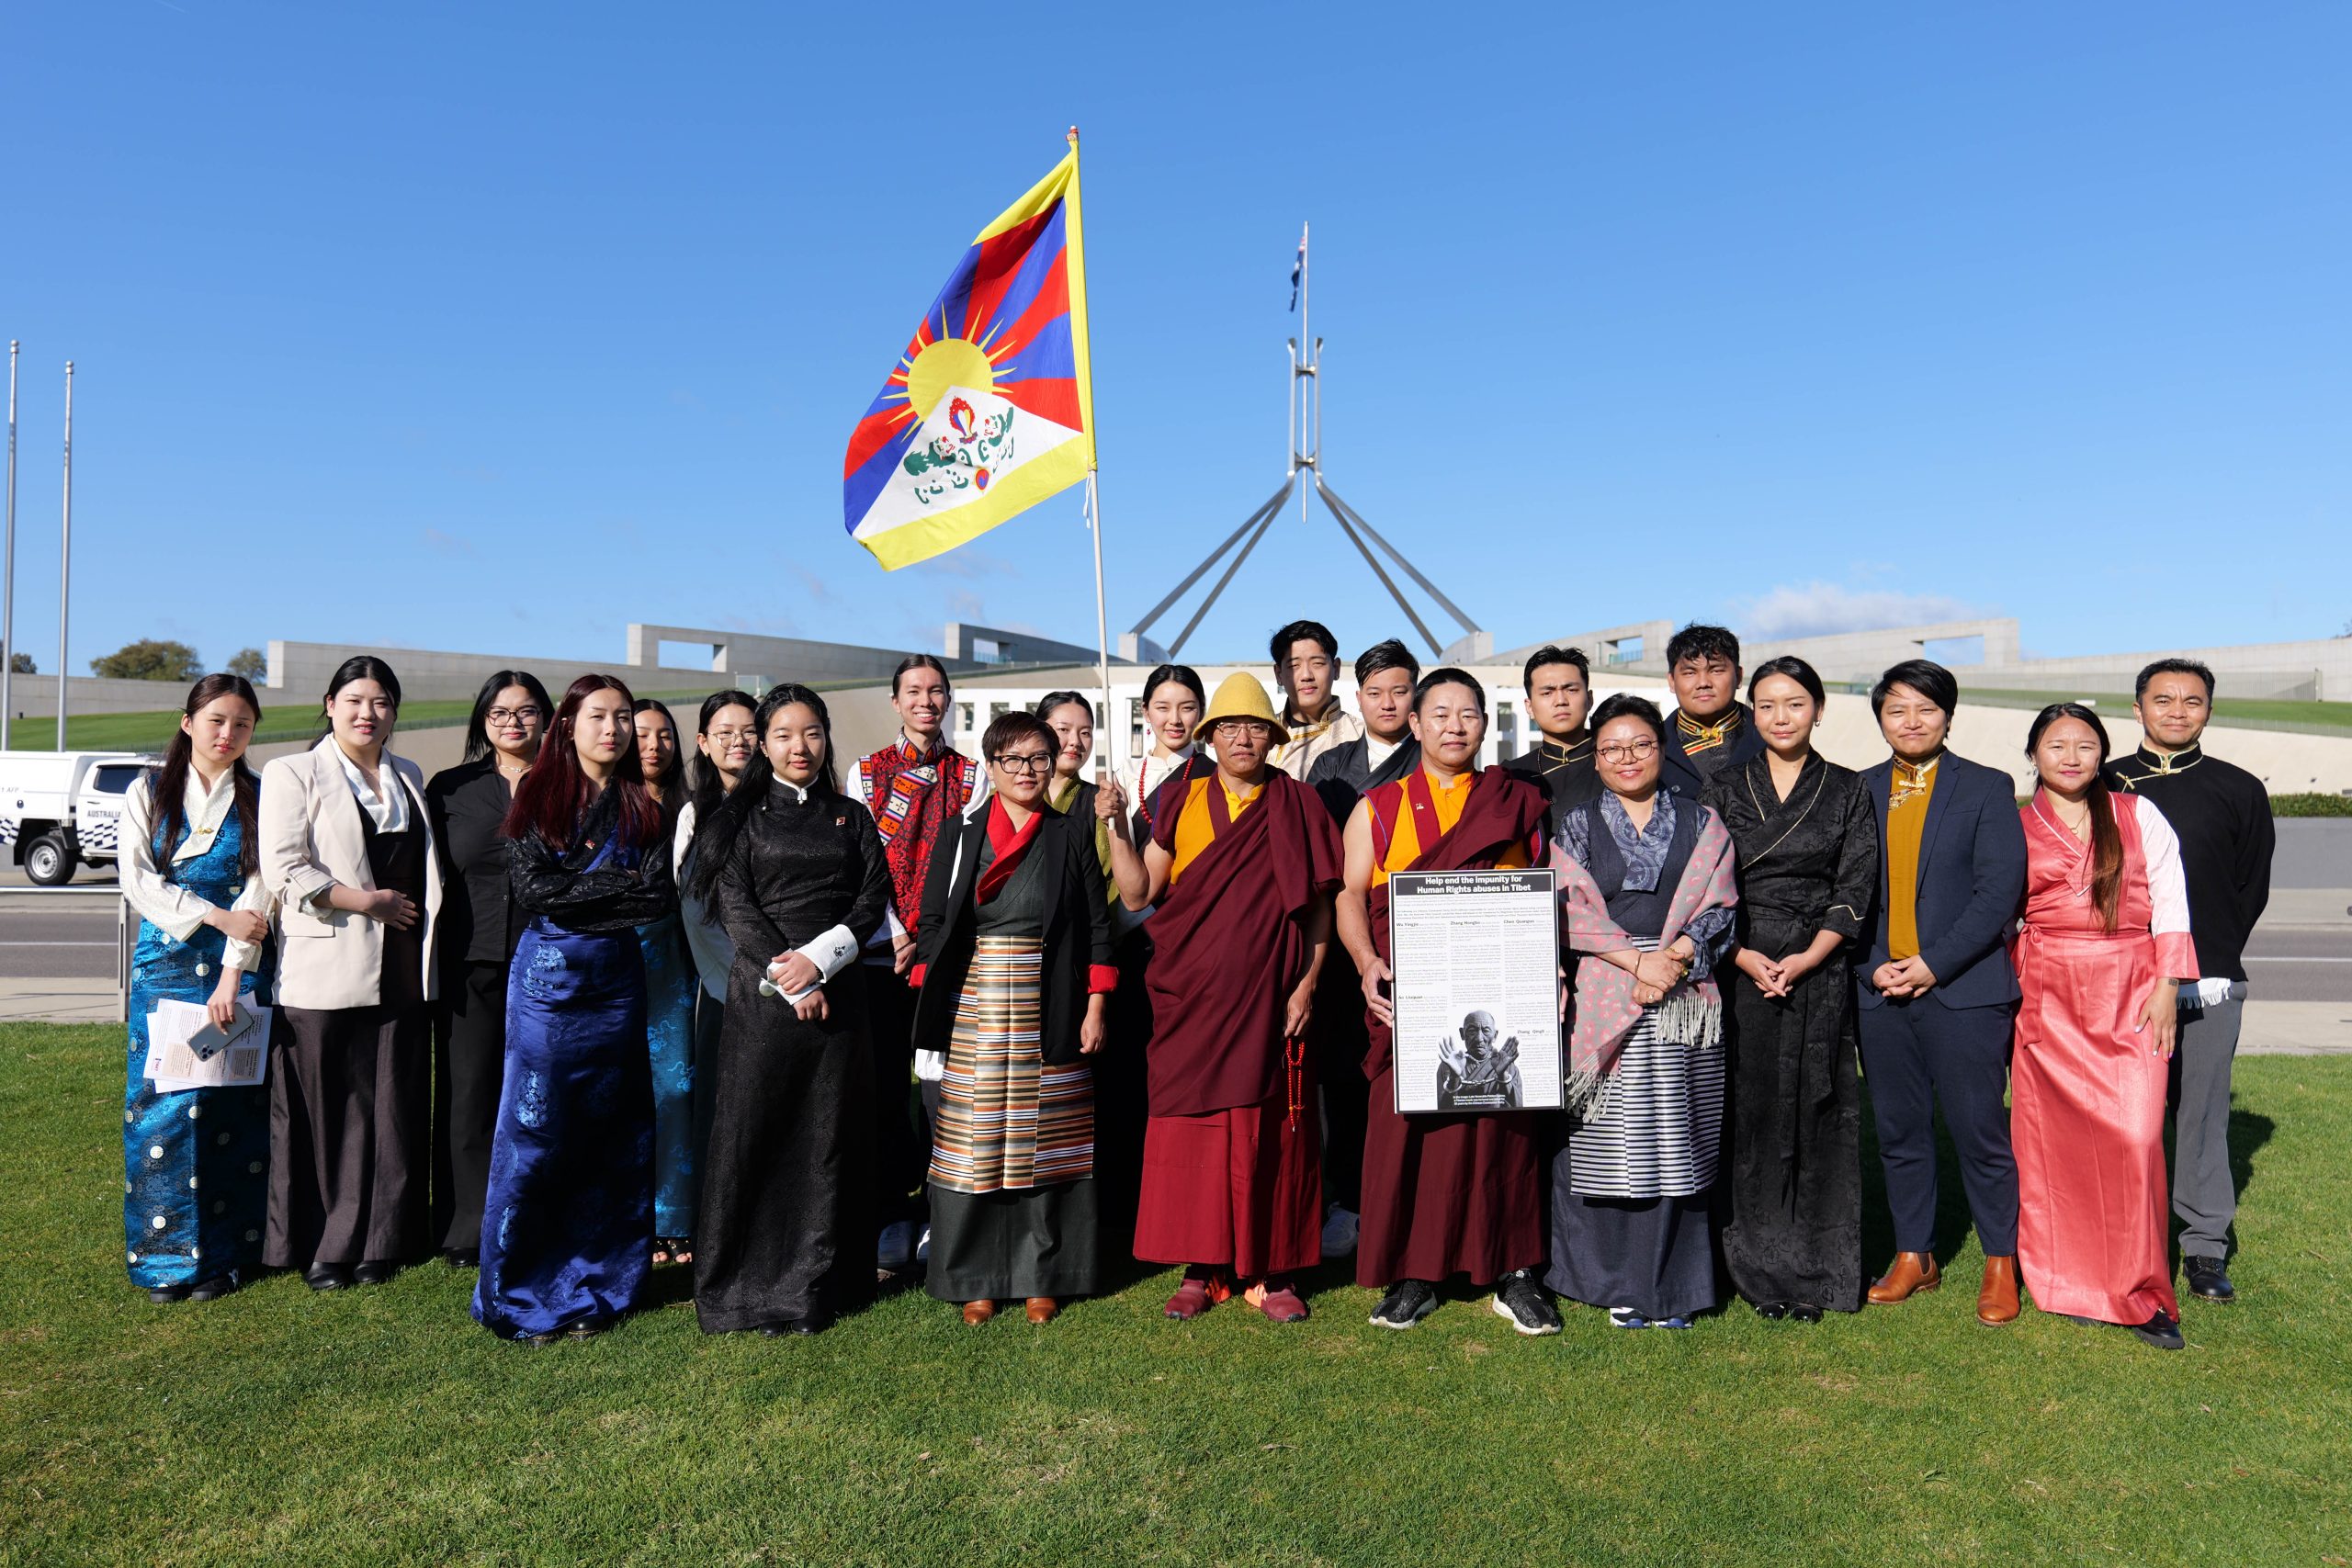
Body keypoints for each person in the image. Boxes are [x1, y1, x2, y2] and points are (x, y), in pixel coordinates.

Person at [1101, 672, 1342, 1323]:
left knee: (1274, 1134)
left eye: (1256, 726)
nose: (1243, 737)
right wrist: (1118, 829)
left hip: (1271, 998)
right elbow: (1136, 894)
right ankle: (1202, 1267)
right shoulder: (1180, 800)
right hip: (1192, 1000)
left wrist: (1309, 982)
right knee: (1195, 1137)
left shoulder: (1298, 803)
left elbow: (1320, 907)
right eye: (1230, 727)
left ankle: (1274, 1268)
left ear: (1273, 736)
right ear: (1210, 736)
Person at [1334, 667, 1556, 1333]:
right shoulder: (1379, 806)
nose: (1454, 726)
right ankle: (1415, 1273)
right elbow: (1350, 893)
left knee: (1504, 1132)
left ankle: (1514, 1271)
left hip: (1498, 991)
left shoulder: (1516, 801)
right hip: (1414, 996)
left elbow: (1540, 892)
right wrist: (1366, 961)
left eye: (1468, 714)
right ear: (1416, 722)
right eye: (1440, 713)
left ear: (1486, 724)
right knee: (1413, 1135)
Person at [472, 676, 676, 1343]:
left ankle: (601, 1285)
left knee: (609, 1136)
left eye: (624, 718)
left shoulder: (641, 803)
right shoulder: (538, 792)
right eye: (599, 716)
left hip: (616, 983)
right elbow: (535, 891)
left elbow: (655, 899)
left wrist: (584, 891)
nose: (614, 730)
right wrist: (611, 885)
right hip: (548, 986)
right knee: (537, 1134)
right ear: (568, 724)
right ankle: (519, 1286)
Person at [691, 684, 893, 1336]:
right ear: (762, 744)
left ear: (827, 737)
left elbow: (872, 897)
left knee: (828, 1138)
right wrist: (792, 975)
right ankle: (738, 1293)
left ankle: (816, 1287)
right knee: (755, 1133)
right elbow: (735, 907)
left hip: (840, 999)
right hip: (765, 999)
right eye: (782, 734)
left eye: (811, 732)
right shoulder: (735, 818)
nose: (798, 746)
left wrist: (824, 960)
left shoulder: (852, 815)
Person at [910, 712, 1117, 1325]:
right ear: (992, 766)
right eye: (1013, 760)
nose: (1027, 771)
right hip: (974, 998)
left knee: (1044, 1141)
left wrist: (1096, 1003)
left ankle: (1041, 1273)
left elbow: (1097, 927)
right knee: (975, 1141)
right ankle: (976, 1276)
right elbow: (932, 922)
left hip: (1050, 995)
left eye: (1038, 758)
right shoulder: (960, 830)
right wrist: (934, 999)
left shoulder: (1069, 831)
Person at [1546, 694, 1740, 1329]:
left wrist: (1677, 955)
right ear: (1596, 760)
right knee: (1607, 1141)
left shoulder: (1701, 821)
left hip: (1682, 995)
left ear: (1662, 751)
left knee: (1676, 1142)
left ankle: (1675, 1289)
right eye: (1612, 748)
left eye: (1640, 744)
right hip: (1608, 990)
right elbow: (1568, 908)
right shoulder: (1575, 824)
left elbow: (1721, 903)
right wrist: (1637, 963)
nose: (1627, 757)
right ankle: (1609, 1282)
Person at [2013, 703, 2198, 1351]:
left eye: (2085, 744)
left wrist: (2169, 985)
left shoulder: (2136, 813)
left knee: (2138, 1137)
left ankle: (2141, 1290)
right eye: (2056, 744)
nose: (2070, 756)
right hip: (2049, 992)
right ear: (2033, 752)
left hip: (2131, 988)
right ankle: (2068, 1281)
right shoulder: (2014, 824)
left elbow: (2172, 897)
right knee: (2054, 1146)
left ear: (2103, 754)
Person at [1700, 657, 1877, 1320]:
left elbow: (1854, 888)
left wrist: (1807, 959)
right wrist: (1743, 954)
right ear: (1752, 712)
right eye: (1768, 705)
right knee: (1749, 1111)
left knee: (1819, 1107)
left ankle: (1821, 1271)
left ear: (1820, 710)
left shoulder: (1847, 788)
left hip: (1818, 965)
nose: (1781, 717)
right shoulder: (1722, 786)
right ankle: (1752, 1267)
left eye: (1795, 703)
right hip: (1739, 963)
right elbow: (1705, 887)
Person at [258, 656, 443, 1291]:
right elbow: (283, 866)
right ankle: (324, 1245)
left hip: (402, 963)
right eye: (356, 700)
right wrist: (367, 901)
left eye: (383, 702)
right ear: (330, 704)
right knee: (330, 1105)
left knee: (392, 1101)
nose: (369, 713)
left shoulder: (409, 775)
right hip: (326, 960)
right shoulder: (293, 771)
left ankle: (381, 1241)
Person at [1853, 660, 2029, 1325]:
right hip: (1881, 989)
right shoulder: (1859, 789)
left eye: (1925, 709)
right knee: (1898, 1130)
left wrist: (1932, 963)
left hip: (1962, 991)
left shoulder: (1986, 787)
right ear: (1880, 718)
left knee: (1979, 1128)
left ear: (1948, 716)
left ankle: (2000, 1259)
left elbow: (1997, 893)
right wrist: (1873, 966)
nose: (1912, 721)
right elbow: (1848, 894)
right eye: (1897, 709)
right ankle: (1915, 1254)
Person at [2106, 659, 2273, 1303]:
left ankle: (2204, 1245)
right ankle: (2126, 1235)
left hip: (2209, 980)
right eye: (2163, 699)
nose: (2178, 711)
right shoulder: (2104, 780)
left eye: (2192, 700)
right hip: (2120, 981)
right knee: (2128, 1116)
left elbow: (2247, 889)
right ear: (2138, 706)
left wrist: (2211, 962)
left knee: (2201, 1112)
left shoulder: (2238, 788)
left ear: (2210, 709)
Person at [119, 674, 275, 1303]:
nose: (227, 734)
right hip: (166, 966)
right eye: (215, 720)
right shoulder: (147, 791)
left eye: (241, 724)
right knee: (159, 1104)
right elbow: (139, 880)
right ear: (188, 722)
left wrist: (236, 965)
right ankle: (162, 1261)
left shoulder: (260, 798)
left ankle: (225, 1254)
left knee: (227, 1106)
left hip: (237, 968)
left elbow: (260, 892)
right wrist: (215, 916)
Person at [845, 654, 967, 1271]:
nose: (926, 700)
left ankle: (944, 1209)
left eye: (936, 690)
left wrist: (934, 937)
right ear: (895, 701)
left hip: (946, 957)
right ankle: (892, 1211)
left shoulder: (971, 775)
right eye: (913, 691)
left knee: (943, 1087)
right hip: (879, 954)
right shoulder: (864, 774)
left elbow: (971, 869)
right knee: (888, 1086)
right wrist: (895, 932)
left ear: (948, 699)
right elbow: (862, 865)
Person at [1304, 637, 1423, 1258]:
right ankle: (1344, 1199)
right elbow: (1328, 865)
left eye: (1400, 690)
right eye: (1375, 692)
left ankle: (1404, 1199)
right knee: (1344, 1074)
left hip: (1417, 941)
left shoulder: (1430, 759)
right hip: (1350, 935)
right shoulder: (1330, 767)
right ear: (1358, 697)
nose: (1388, 702)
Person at [425, 670, 549, 1269]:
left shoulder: (567, 787)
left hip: (547, 963)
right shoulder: (450, 788)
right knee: (469, 1093)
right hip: (467, 962)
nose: (513, 723)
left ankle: (533, 1212)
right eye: (500, 713)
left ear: (547, 719)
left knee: (536, 1092)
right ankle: (465, 1224)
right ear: (482, 721)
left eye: (526, 711)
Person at [673, 689, 756, 1249]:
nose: (737, 741)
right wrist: (741, 975)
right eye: (723, 732)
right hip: (726, 988)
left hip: (789, 984)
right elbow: (694, 911)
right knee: (721, 1114)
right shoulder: (694, 813)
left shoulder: (790, 803)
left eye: (748, 730)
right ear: (703, 743)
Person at [632, 696, 698, 1262]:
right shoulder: (602, 802)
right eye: (643, 734)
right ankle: (628, 1217)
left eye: (666, 735)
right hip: (617, 956)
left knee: (675, 1087)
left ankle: (673, 1217)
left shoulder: (692, 804)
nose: (654, 746)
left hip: (677, 958)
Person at [1657, 624, 1764, 800]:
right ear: (1671, 681)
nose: (1703, 683)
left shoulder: (1769, 737)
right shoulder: (1650, 747)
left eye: (1716, 670)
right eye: (1690, 673)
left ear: (1738, 676)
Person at [1502, 644, 1600, 825]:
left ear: (1590, 699)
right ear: (1529, 707)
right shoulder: (1512, 775)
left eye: (1571, 690)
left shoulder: (1617, 761)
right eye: (1547, 693)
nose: (1561, 701)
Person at [1121, 663, 1207, 849]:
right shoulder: (1125, 776)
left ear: (1202, 711)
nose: (1175, 720)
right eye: (1163, 708)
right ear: (1145, 711)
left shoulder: (1214, 774)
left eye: (1187, 708)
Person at [1268, 619, 1364, 781]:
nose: (1306, 676)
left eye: (1317, 663)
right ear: (1279, 674)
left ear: (1336, 668)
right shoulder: (1262, 735)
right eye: (1294, 666)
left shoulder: (1361, 736)